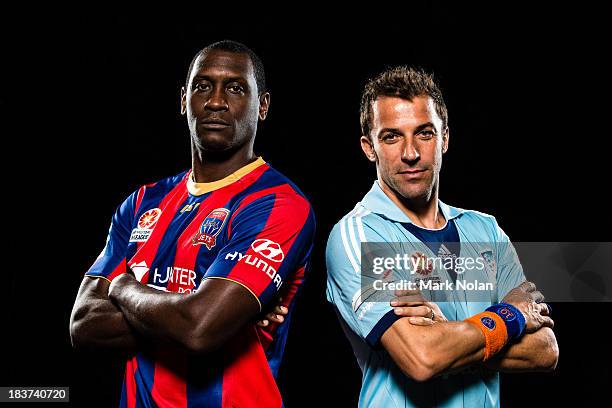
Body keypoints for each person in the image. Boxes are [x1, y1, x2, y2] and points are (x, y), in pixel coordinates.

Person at [69, 40, 315, 408]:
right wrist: (189, 314)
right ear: (184, 100)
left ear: (262, 106)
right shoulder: (142, 202)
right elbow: (85, 325)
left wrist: (123, 288)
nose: (216, 101)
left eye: (235, 88)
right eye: (202, 86)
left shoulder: (277, 203)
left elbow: (200, 329)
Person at [324, 66, 559, 407]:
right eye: (391, 136)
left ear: (445, 138)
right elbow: (422, 358)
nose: (410, 153)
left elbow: (545, 350)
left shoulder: (486, 231)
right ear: (368, 147)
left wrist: (448, 334)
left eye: (424, 133)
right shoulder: (357, 235)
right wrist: (511, 316)